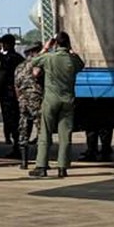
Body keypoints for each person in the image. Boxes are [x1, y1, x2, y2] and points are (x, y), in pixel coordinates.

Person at [29, 31, 84, 178]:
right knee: (65, 135)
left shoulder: (49, 58)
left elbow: (33, 63)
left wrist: (46, 48)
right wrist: (72, 51)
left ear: (56, 44)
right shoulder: (72, 60)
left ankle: (41, 166)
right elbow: (81, 64)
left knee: (45, 133)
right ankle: (62, 167)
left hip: (51, 100)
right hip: (68, 100)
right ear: (68, 44)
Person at [13, 45, 44, 169]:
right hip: (36, 101)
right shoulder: (38, 66)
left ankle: (24, 162)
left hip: (22, 101)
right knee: (41, 130)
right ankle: (41, 160)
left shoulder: (19, 67)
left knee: (24, 129)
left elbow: (16, 85)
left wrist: (20, 98)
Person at [0, 34, 23, 157]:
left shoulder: (6, 59)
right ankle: (18, 144)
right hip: (16, 93)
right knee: (17, 120)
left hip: (7, 94)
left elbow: (2, 75)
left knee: (11, 120)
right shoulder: (19, 58)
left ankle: (16, 146)